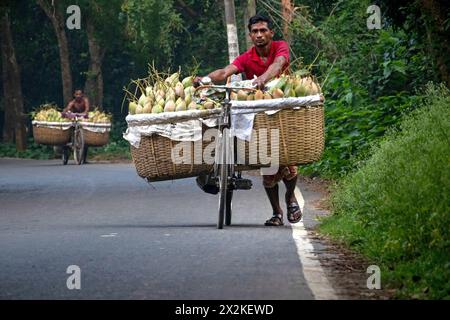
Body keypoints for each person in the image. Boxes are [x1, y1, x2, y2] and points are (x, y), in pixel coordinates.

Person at [195, 14, 302, 226]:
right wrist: (205, 80)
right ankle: (277, 213)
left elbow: (278, 64)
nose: (259, 35)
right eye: (255, 31)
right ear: (250, 35)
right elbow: (226, 71)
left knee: (288, 162)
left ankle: (290, 198)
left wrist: (262, 79)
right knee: (267, 164)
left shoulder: (280, 47)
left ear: (271, 32)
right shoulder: (247, 57)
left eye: (263, 30)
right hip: (257, 111)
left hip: (281, 109)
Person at [62, 89, 90, 163]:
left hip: (83, 118)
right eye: (77, 94)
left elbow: (87, 109)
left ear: (82, 95)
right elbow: (68, 108)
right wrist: (65, 112)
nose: (78, 96)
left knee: (85, 139)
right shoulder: (73, 102)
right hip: (74, 118)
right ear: (74, 95)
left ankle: (84, 158)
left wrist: (84, 113)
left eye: (80, 94)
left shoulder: (85, 101)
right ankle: (66, 150)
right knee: (69, 132)